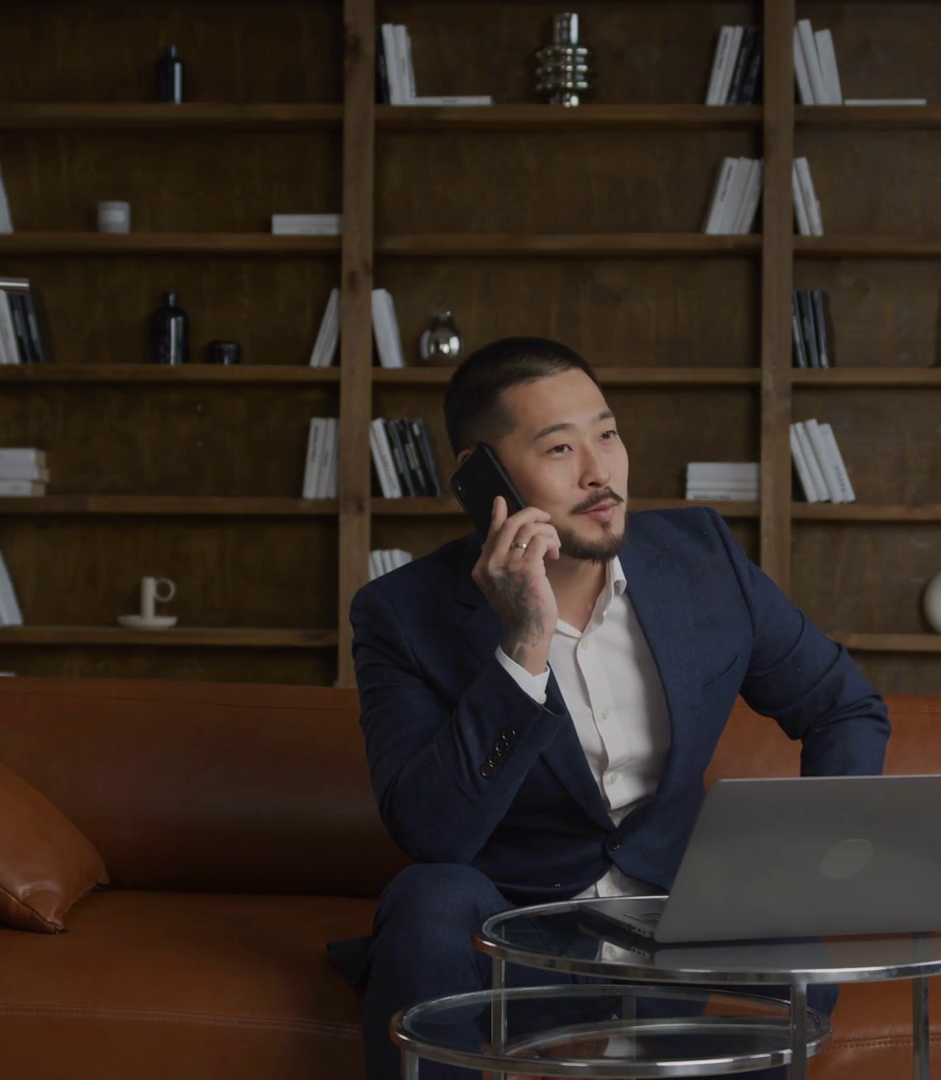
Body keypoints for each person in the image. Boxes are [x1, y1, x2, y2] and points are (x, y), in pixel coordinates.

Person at [330, 336, 890, 1080]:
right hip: (514, 937)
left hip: (685, 923)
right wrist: (522, 644)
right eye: (560, 449)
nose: (601, 472)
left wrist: (813, 859)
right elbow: (433, 832)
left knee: (796, 953)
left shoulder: (702, 558)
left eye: (608, 434)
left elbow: (843, 707)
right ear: (480, 476)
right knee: (426, 899)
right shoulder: (401, 614)